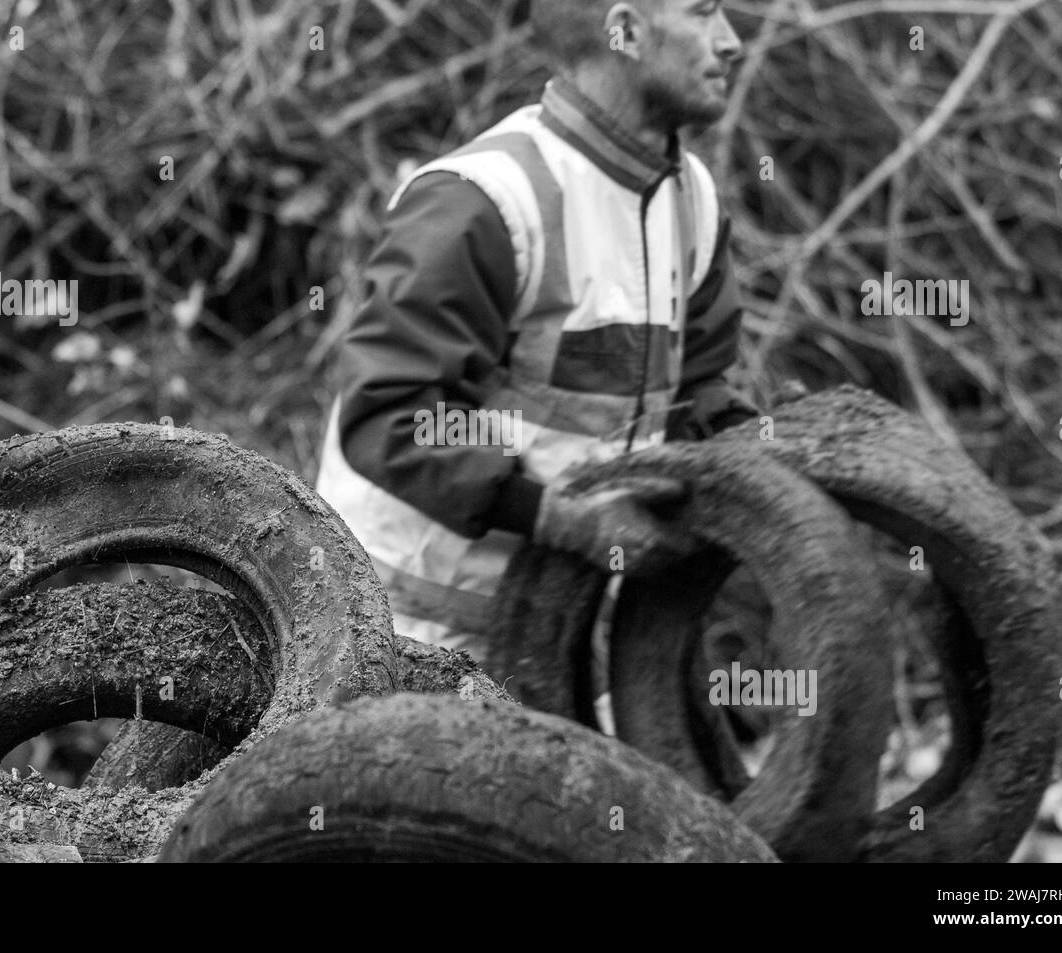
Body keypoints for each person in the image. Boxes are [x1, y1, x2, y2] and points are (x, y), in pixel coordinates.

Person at [317, 0, 758, 667]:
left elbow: (696, 386)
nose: (730, 42)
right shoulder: (484, 199)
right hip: (402, 634)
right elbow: (392, 417)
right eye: (703, 13)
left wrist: (754, 450)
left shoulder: (692, 197)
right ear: (627, 31)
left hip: (561, 638)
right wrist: (560, 517)